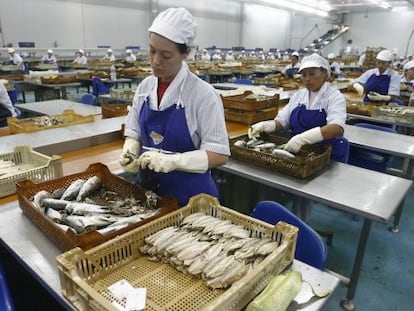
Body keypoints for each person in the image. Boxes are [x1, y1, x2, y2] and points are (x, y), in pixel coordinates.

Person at [119, 7, 230, 207]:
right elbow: (133, 131)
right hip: (149, 193)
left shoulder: (203, 95)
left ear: (186, 53)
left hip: (191, 199)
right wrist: (130, 149)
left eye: (166, 55)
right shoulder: (145, 87)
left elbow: (219, 154)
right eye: (152, 51)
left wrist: (174, 162)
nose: (155, 61)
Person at [248, 53, 347, 219]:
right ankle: (266, 221)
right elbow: (282, 121)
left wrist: (303, 139)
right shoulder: (299, 95)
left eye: (312, 74)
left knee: (303, 194)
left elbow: (337, 127)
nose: (307, 79)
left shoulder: (334, 96)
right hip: (294, 151)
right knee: (269, 183)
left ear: (324, 73)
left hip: (320, 155)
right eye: (304, 74)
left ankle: (299, 231)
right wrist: (265, 125)